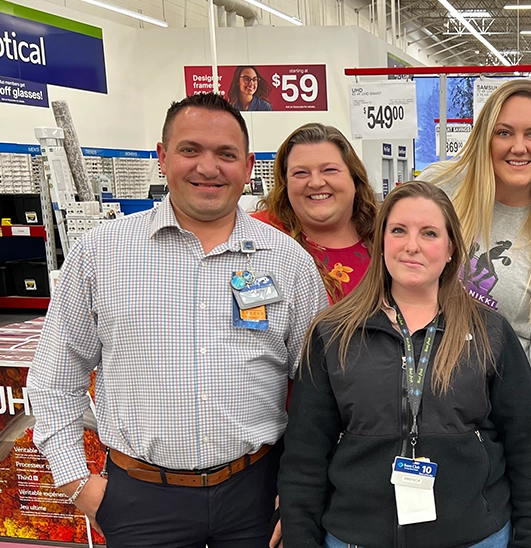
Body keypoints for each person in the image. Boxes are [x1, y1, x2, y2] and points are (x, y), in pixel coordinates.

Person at [26, 92, 328, 547]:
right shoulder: (101, 255)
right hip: (140, 501)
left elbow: (318, 388)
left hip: (258, 496)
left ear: (248, 167)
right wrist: (77, 483)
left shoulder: (288, 261)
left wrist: (302, 490)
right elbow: (54, 378)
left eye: (226, 154)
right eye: (191, 150)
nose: (209, 167)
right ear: (163, 158)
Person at [278, 180, 531, 548]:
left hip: (475, 537)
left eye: (429, 233)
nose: (412, 245)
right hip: (356, 537)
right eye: (398, 230)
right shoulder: (334, 334)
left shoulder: (490, 333)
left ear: (451, 248)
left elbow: (527, 451)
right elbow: (304, 458)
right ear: (380, 242)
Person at [422, 79, 531, 417]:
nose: (519, 147)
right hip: (417, 393)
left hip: (502, 410)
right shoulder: (438, 188)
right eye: (504, 133)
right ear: (484, 137)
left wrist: (499, 420)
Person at [252, 123, 378, 301]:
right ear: (285, 183)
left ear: (355, 180)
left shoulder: (389, 236)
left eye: (330, 170)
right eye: (301, 173)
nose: (316, 182)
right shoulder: (255, 236)